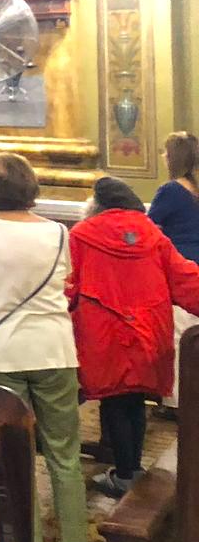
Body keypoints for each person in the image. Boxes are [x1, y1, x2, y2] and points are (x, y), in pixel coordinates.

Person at [0, 153, 113, 542]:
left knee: (15, 453)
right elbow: (64, 279)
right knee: (64, 452)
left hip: (0, 352)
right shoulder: (57, 232)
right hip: (52, 350)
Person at [67, 177, 199, 496]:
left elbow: (69, 287)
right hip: (148, 331)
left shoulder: (81, 236)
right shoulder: (154, 235)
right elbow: (186, 280)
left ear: (97, 206)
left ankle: (124, 474)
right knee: (136, 400)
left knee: (114, 402)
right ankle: (131, 469)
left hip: (103, 334)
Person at [151, 132, 199, 407]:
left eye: (165, 152)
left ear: (173, 158)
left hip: (180, 271)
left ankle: (178, 402)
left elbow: (149, 230)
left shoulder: (170, 191)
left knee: (180, 339)